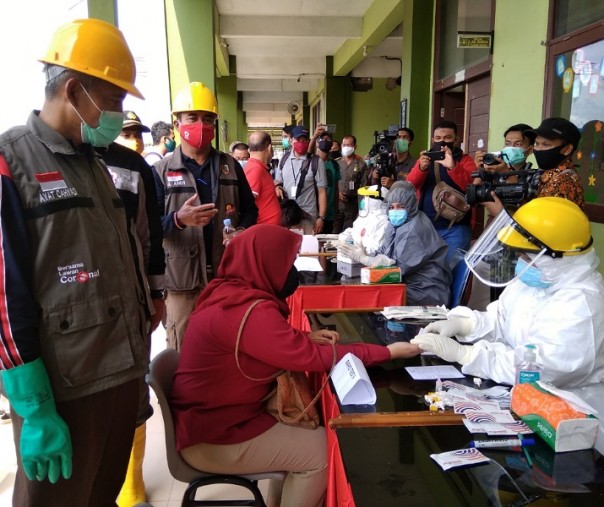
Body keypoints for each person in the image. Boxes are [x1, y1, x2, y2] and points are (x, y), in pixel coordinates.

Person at [0, 18, 149, 506]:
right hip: (63, 393)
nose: (118, 115)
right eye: (113, 100)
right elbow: (4, 297)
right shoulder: (11, 163)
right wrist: (34, 406)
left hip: (117, 377)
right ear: (73, 89)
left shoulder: (94, 165)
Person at [170, 224, 421, 507]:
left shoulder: (230, 291)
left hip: (209, 420)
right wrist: (386, 352)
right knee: (319, 455)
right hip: (212, 438)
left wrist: (302, 335)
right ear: (265, 262)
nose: (292, 271)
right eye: (287, 262)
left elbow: (263, 342)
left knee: (303, 440)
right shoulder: (248, 310)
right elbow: (312, 357)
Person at [410, 197, 604, 451]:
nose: (520, 260)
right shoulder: (538, 277)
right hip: (522, 404)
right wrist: (465, 324)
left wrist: (468, 354)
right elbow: (501, 317)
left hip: (568, 422)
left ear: (555, 256)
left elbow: (541, 369)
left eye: (525, 254)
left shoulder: (583, 305)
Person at [152, 81, 258, 351]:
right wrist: (178, 219)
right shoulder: (161, 171)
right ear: (177, 122)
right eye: (192, 118)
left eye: (208, 119)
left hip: (226, 279)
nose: (201, 125)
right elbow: (147, 228)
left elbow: (250, 210)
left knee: (226, 351)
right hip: (182, 283)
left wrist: (242, 230)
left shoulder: (230, 166)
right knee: (183, 354)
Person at [102, 139, 166, 507]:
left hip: (130, 301)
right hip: (67, 315)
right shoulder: (23, 156)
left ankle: (132, 483)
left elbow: (148, 235)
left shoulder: (130, 165)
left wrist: (155, 294)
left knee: (132, 394)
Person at [338, 182, 452, 306]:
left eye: (400, 206)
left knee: (367, 297)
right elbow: (384, 252)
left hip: (424, 291)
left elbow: (395, 271)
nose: (395, 211)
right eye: (391, 207)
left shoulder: (414, 230)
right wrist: (364, 253)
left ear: (411, 205)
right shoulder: (396, 225)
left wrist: (364, 259)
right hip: (408, 285)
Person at [407, 120, 477, 267]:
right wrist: (421, 168)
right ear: (433, 140)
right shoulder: (426, 159)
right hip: (427, 226)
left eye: (447, 138)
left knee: (452, 270)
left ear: (456, 140)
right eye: (438, 138)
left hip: (456, 227)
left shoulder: (465, 160)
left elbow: (470, 186)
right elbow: (410, 184)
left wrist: (452, 166)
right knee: (428, 270)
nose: (442, 141)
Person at [274, 125, 328, 234]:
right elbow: (277, 181)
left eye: (305, 140)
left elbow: (322, 191)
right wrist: (277, 187)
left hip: (308, 215)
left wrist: (321, 218)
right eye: (298, 139)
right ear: (291, 140)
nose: (301, 142)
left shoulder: (316, 162)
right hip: (287, 215)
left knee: (307, 250)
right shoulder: (284, 160)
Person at [528, 117, 584, 207]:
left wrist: (500, 209)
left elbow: (544, 218)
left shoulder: (563, 182)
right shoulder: (548, 172)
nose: (538, 149)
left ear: (567, 149)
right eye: (536, 144)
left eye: (546, 144)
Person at [244, 131, 281, 225]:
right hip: (263, 231)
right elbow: (247, 204)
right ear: (269, 147)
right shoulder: (255, 169)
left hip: (268, 230)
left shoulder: (258, 167)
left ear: (249, 150)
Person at [334, 135, 368, 233]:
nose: (346, 147)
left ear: (355, 147)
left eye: (349, 145)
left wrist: (362, 209)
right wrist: (337, 193)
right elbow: (330, 184)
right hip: (337, 206)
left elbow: (364, 187)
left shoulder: (361, 165)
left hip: (353, 207)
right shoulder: (336, 163)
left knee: (350, 234)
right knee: (334, 233)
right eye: (344, 145)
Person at [315, 133, 341, 234]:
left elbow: (336, 188)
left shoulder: (334, 164)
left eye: (328, 139)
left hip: (330, 212)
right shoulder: (313, 162)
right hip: (315, 212)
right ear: (317, 143)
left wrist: (336, 210)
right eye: (323, 138)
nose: (326, 141)